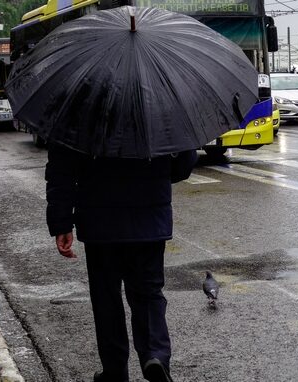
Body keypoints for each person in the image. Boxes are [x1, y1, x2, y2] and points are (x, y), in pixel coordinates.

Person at [45, 143, 198, 382]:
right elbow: (184, 163)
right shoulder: (160, 108)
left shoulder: (81, 109)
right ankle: (154, 355)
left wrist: (61, 222)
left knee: (106, 298)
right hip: (149, 217)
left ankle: (114, 371)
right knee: (148, 293)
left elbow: (61, 166)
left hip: (99, 219)